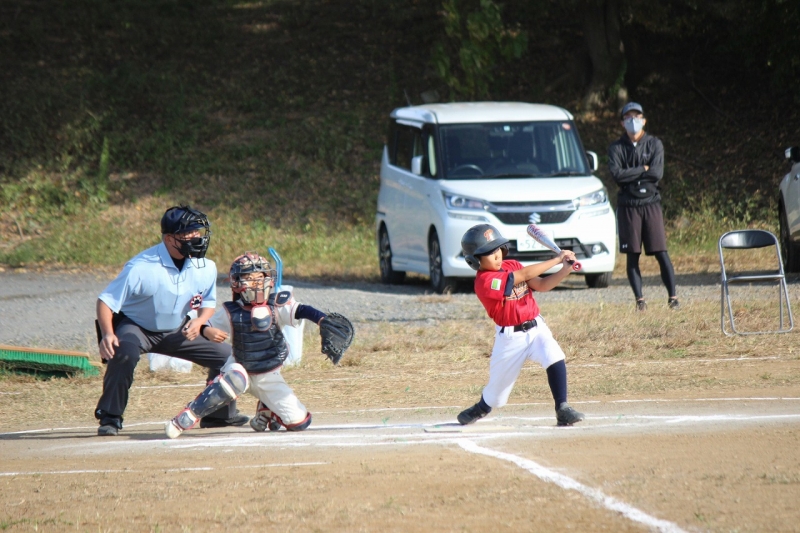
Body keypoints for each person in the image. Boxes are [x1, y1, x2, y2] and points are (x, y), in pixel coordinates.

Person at [94, 205, 248, 436]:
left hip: (178, 328)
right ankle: (110, 417)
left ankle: (219, 415)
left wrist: (199, 322)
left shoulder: (206, 266)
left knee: (229, 357)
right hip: (137, 327)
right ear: (169, 238)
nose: (196, 238)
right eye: (189, 233)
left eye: (198, 233)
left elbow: (208, 302)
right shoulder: (141, 267)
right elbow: (106, 301)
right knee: (123, 352)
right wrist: (108, 333)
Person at [164, 251, 350, 438]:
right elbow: (203, 323)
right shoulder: (230, 311)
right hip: (240, 367)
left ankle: (267, 408)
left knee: (300, 422)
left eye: (260, 277)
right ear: (237, 283)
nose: (256, 282)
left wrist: (322, 319)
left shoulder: (277, 304)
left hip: (268, 373)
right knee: (235, 379)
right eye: (249, 277)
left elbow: (301, 310)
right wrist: (206, 331)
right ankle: (187, 416)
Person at [457, 224, 585, 427]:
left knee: (555, 356)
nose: (497, 255)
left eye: (497, 248)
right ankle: (482, 407)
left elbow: (542, 285)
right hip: (510, 339)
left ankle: (562, 408)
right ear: (475, 260)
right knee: (496, 396)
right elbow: (523, 276)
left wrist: (565, 269)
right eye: (489, 253)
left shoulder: (512, 265)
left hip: (536, 328)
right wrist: (557, 258)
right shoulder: (485, 281)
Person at [608, 101, 679, 311]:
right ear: (622, 123)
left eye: (637, 117)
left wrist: (635, 173)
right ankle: (640, 300)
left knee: (661, 252)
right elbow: (617, 175)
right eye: (628, 117)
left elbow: (657, 173)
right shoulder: (616, 147)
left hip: (651, 203)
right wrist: (643, 168)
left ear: (644, 120)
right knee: (632, 254)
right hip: (628, 205)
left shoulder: (655, 144)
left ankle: (673, 297)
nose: (633, 121)